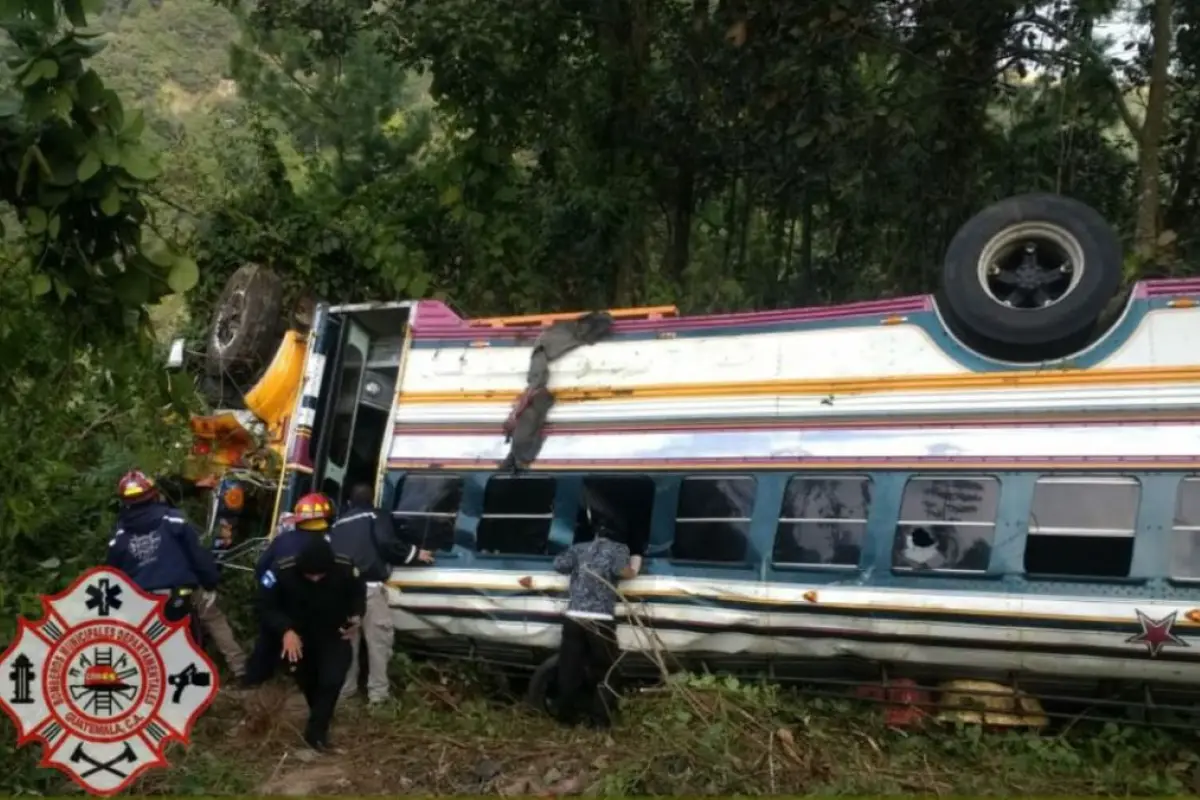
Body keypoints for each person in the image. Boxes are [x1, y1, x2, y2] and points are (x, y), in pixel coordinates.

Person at [520, 500, 642, 729]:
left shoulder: (579, 548)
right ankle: (600, 721)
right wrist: (635, 564)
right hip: (600, 621)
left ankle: (565, 718)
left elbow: (559, 564)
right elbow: (624, 573)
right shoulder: (618, 550)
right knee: (606, 670)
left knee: (569, 668)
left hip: (574, 617)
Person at [329, 483, 434, 705]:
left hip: (340, 593)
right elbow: (387, 543)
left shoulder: (337, 524)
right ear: (372, 500)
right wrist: (415, 554)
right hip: (369, 590)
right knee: (378, 643)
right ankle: (378, 697)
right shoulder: (376, 516)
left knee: (347, 645)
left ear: (349, 503)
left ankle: (344, 694)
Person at [260, 535, 365, 752]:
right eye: (311, 575)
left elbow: (358, 594)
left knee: (333, 679)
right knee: (308, 681)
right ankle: (319, 714)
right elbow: (265, 606)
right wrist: (285, 630)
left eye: (321, 575)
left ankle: (316, 735)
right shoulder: (281, 571)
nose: (316, 579)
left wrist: (356, 617)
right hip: (297, 636)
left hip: (333, 632)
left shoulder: (345, 567)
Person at [106, 470, 220, 640]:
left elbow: (112, 575)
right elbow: (196, 554)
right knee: (188, 646)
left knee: (150, 652)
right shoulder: (173, 520)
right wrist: (210, 582)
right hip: (177, 596)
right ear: (154, 494)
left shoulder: (120, 536)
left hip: (141, 605)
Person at [241, 498, 332, 688]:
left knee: (268, 640)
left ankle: (253, 681)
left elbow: (261, 567)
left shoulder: (282, 540)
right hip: (307, 602)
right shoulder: (326, 543)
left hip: (276, 597)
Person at [192, 517, 248, 681]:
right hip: (188, 581)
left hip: (150, 589)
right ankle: (239, 667)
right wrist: (210, 585)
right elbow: (201, 558)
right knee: (214, 619)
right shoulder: (178, 524)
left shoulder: (127, 529)